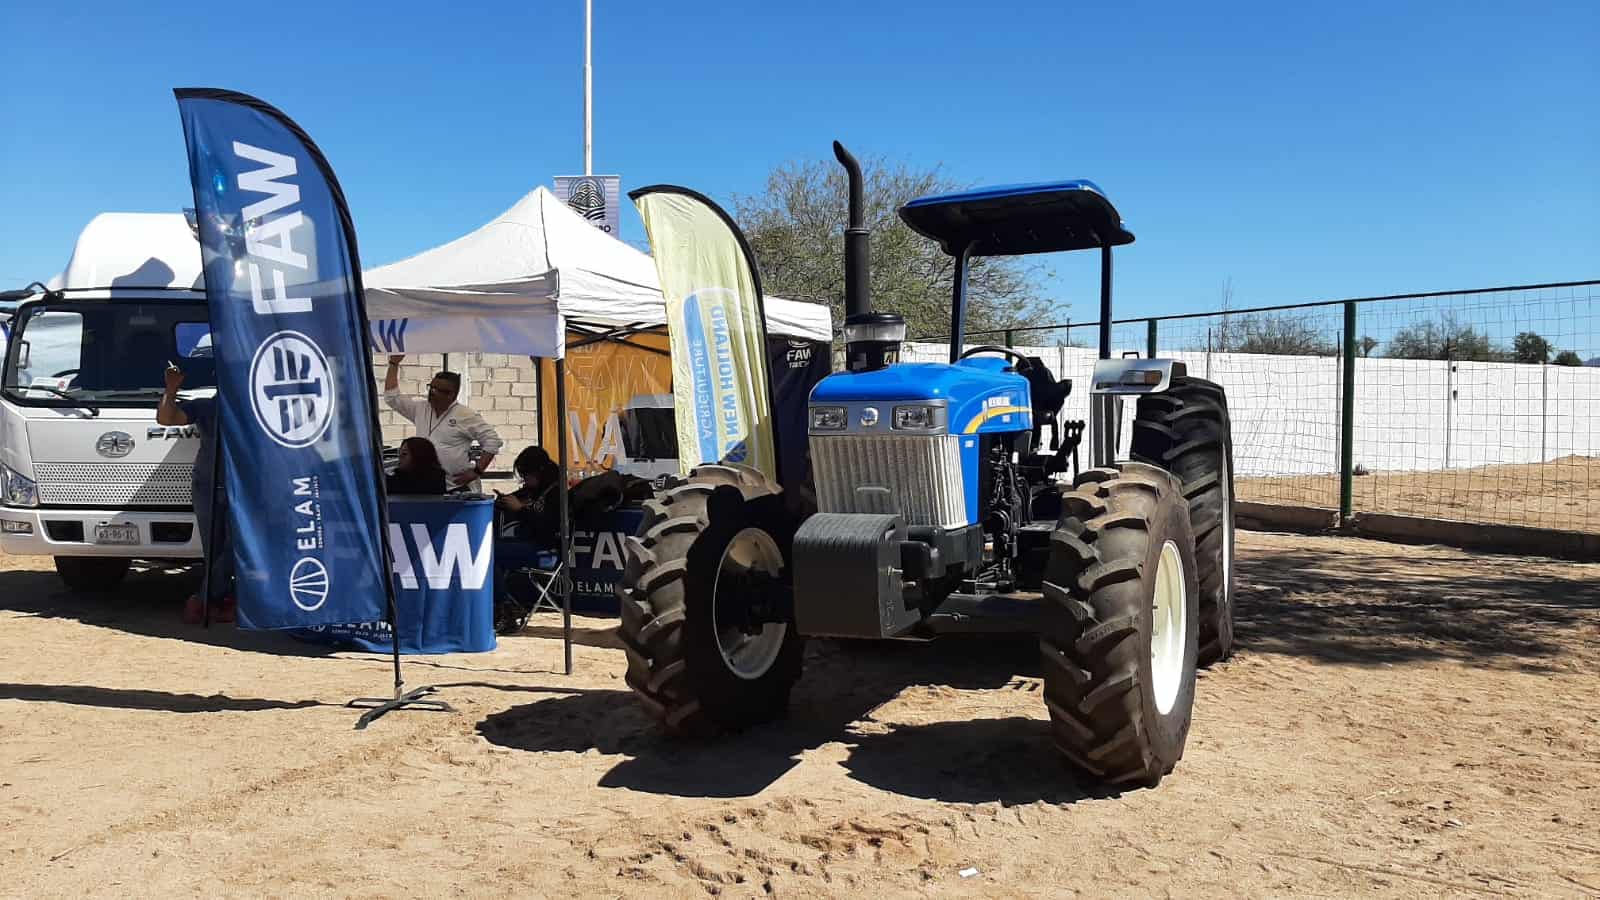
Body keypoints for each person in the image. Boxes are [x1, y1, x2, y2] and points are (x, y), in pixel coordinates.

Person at [157, 362, 235, 624]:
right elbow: (167, 419)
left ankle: (202, 600)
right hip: (208, 487)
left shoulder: (253, 408)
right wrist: (171, 390)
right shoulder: (207, 406)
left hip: (241, 490)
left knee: (234, 548)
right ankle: (214, 601)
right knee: (213, 551)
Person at [382, 355, 502, 491]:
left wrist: (477, 471)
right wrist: (393, 364)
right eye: (431, 387)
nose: (431, 392)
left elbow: (493, 441)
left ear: (451, 394)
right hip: (427, 485)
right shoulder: (420, 409)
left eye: (437, 390)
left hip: (456, 487)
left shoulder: (465, 415)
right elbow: (392, 398)